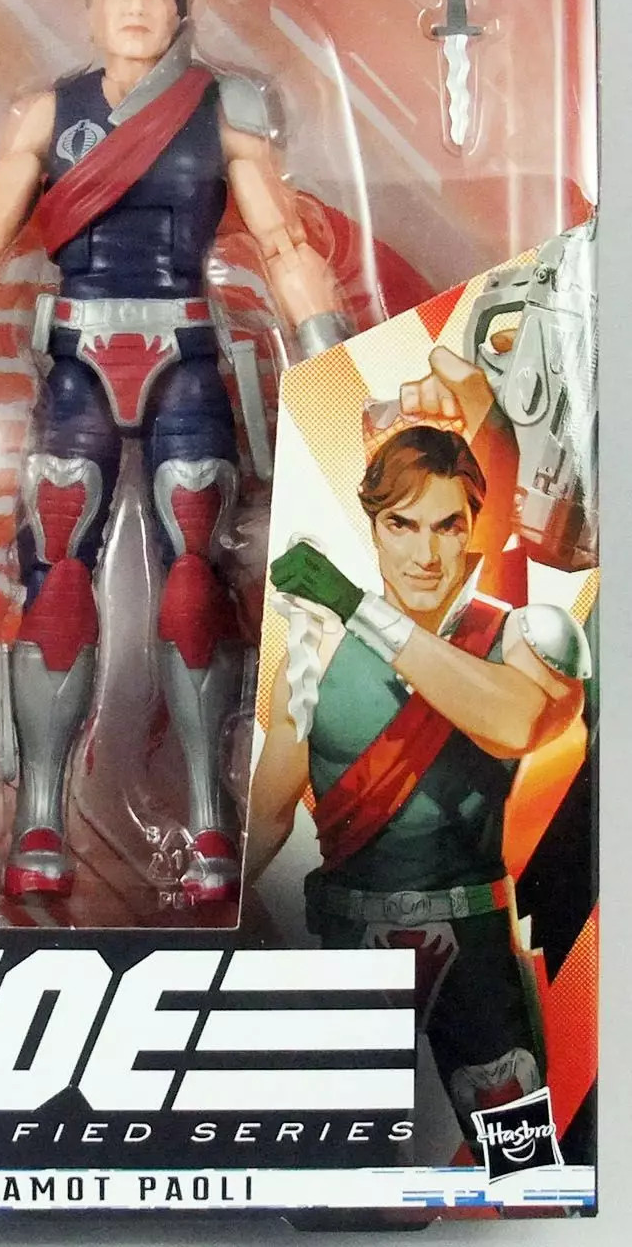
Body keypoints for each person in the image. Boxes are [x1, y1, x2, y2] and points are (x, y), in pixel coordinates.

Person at [0, 0, 351, 901]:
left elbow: (283, 243)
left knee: (195, 573)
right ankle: (38, 816)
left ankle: (211, 825)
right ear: (92, 3)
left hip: (186, 356)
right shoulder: (44, 115)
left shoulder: (224, 108)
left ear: (180, 8)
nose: (137, 7)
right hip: (77, 360)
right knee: (55, 571)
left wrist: (331, 362)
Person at [250, 349, 591, 1137]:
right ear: (373, 525)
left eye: (446, 526)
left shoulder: (518, 638)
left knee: (516, 1159)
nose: (424, 554)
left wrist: (360, 608)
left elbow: (512, 722)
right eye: (401, 525)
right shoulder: (316, 650)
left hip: (476, 944)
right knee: (337, 1159)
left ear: (472, 528)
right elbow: (267, 816)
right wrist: (195, 925)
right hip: (350, 940)